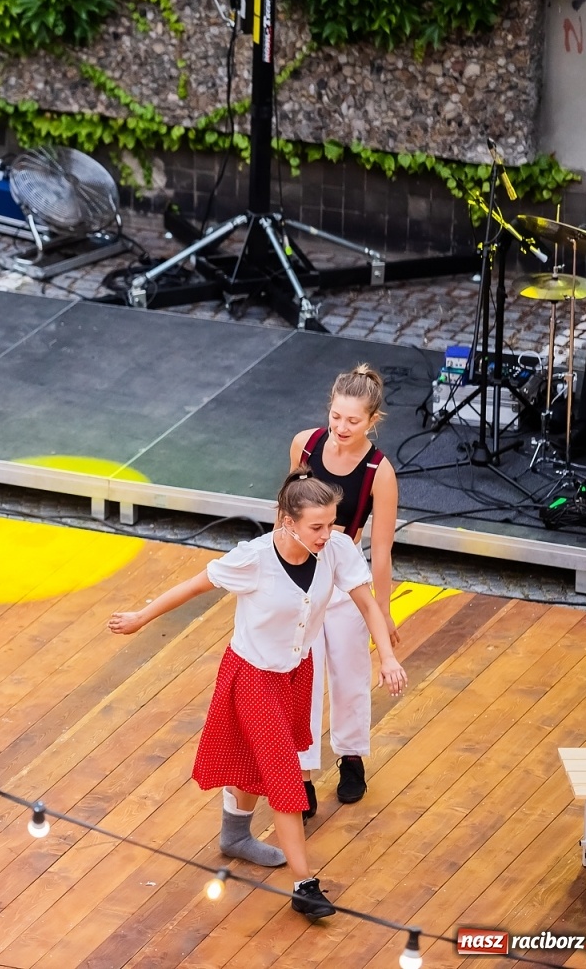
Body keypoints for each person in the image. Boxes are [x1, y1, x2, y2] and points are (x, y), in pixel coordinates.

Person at [108, 471, 406, 920]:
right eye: (317, 527)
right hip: (251, 677)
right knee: (285, 776)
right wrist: (141, 617)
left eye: (329, 524)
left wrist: (386, 658)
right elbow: (193, 586)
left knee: (255, 761)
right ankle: (306, 886)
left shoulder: (337, 549)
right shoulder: (253, 559)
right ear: (287, 521)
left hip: (294, 675)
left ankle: (234, 836)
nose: (327, 535)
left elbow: (366, 603)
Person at [290, 364, 399, 818]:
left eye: (352, 421)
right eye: (336, 416)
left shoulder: (380, 470)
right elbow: (288, 511)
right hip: (302, 572)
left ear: (372, 420)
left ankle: (352, 756)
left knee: (351, 675)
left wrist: (384, 612)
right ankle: (304, 774)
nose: (341, 428)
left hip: (345, 568)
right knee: (304, 680)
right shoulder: (305, 444)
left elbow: (382, 551)